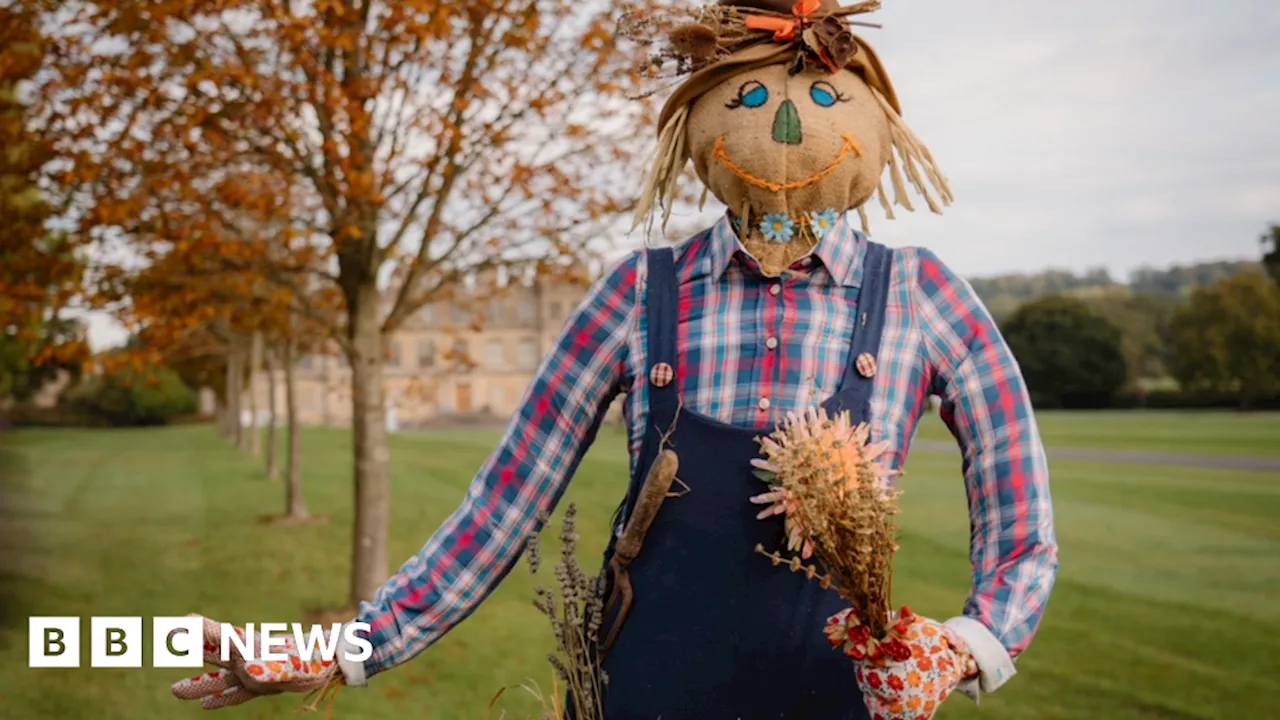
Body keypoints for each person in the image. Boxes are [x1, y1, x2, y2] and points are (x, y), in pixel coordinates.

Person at [172, 0, 1058, 716]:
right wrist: (342, 648)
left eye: (821, 98)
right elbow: (503, 505)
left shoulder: (922, 295)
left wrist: (968, 645)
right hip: (642, 693)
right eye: (748, 99)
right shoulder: (640, 292)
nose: (786, 119)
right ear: (701, 122)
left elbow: (1020, 522)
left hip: (832, 698)